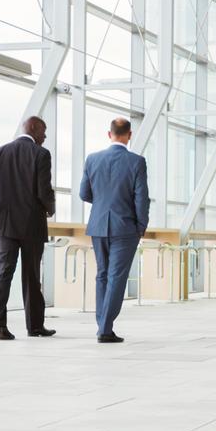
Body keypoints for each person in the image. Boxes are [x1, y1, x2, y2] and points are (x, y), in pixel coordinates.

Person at [0, 115, 56, 340]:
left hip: (5, 224)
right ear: (33, 128)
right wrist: (50, 208)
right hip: (32, 223)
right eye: (43, 131)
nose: (45, 136)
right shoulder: (41, 154)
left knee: (3, 274)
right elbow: (43, 190)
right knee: (31, 275)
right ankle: (35, 326)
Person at [79, 117, 149, 343]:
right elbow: (141, 198)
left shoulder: (92, 159)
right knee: (116, 277)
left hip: (98, 225)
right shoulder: (136, 162)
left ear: (109, 134)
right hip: (125, 227)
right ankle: (105, 328)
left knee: (102, 274)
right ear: (129, 135)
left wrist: (102, 204)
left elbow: (84, 194)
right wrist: (141, 226)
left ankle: (103, 324)